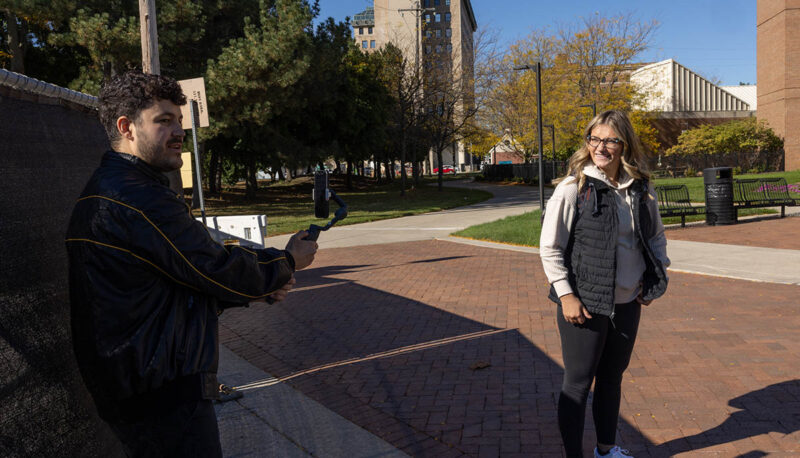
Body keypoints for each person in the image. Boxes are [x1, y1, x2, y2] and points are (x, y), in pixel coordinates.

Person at [65, 70, 318, 457]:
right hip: (159, 390)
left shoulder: (119, 188)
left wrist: (263, 287)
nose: (178, 131)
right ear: (126, 127)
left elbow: (174, 283)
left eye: (179, 121)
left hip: (138, 384)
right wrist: (285, 263)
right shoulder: (136, 197)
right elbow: (212, 265)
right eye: (163, 121)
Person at [539, 110, 670, 458]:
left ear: (624, 144)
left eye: (610, 140)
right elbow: (549, 248)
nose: (601, 147)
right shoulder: (573, 188)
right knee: (578, 385)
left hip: (627, 302)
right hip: (585, 303)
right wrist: (566, 295)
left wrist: (654, 277)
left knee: (612, 379)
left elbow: (655, 238)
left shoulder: (640, 189)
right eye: (594, 139)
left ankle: (605, 450)